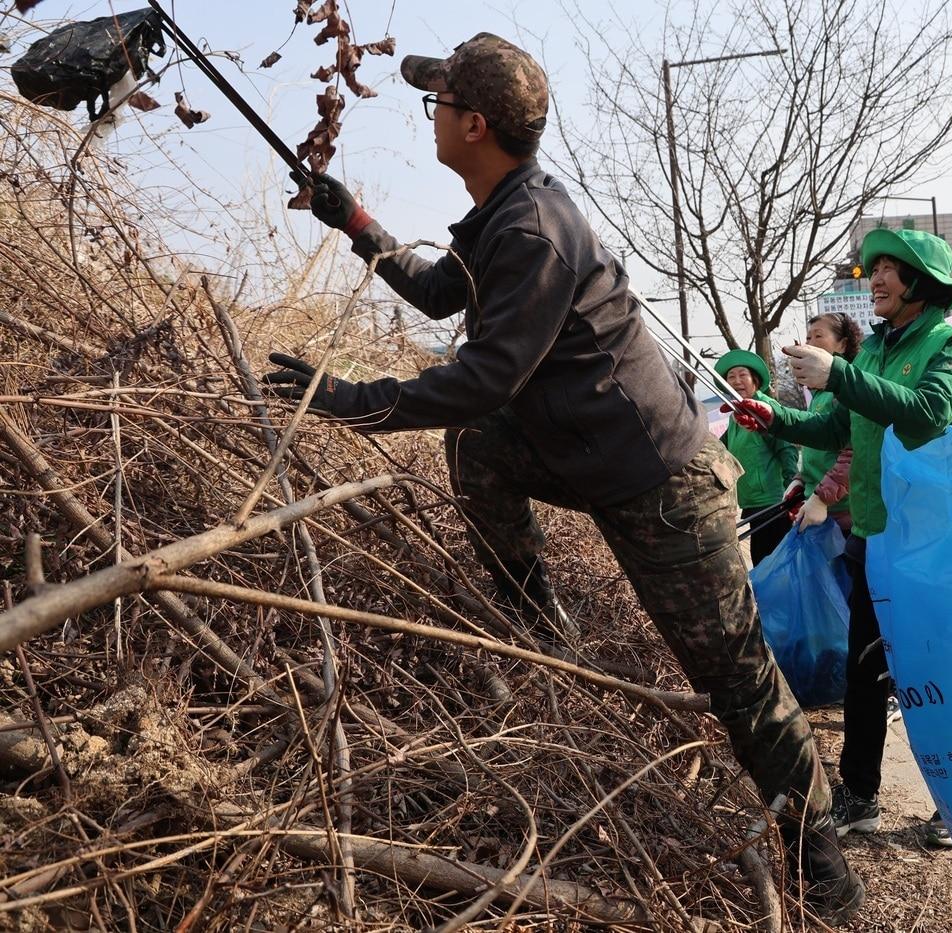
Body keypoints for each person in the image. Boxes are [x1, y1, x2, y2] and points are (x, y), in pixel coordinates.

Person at [263, 33, 864, 923]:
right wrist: (355, 224)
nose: (428, 112)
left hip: (662, 484)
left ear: (475, 125)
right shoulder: (503, 212)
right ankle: (540, 620)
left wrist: (350, 399)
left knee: (735, 679)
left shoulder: (535, 227)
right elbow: (440, 295)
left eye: (438, 102)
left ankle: (824, 870)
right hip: (587, 458)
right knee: (474, 442)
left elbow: (482, 376)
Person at [726, 228, 952, 847]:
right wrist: (773, 414)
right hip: (873, 538)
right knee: (865, 673)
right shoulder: (873, 352)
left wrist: (839, 373)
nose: (874, 280)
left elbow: (928, 412)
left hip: (934, 546)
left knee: (940, 672)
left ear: (922, 283)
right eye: (872, 270)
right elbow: (830, 428)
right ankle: (860, 796)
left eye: (889, 271)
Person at [717, 349, 799, 568]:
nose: (736, 381)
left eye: (742, 375)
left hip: (773, 502)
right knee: (762, 563)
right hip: (753, 501)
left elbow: (786, 448)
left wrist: (792, 488)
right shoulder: (737, 413)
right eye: (731, 377)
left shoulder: (764, 409)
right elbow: (721, 446)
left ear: (755, 379)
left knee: (770, 565)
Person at [788, 313, 862, 535]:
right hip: (819, 509)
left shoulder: (847, 390)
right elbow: (818, 450)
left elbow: (856, 451)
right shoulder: (818, 394)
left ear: (843, 344)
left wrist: (822, 498)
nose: (809, 343)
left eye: (818, 336)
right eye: (808, 337)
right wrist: (800, 480)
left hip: (843, 514)